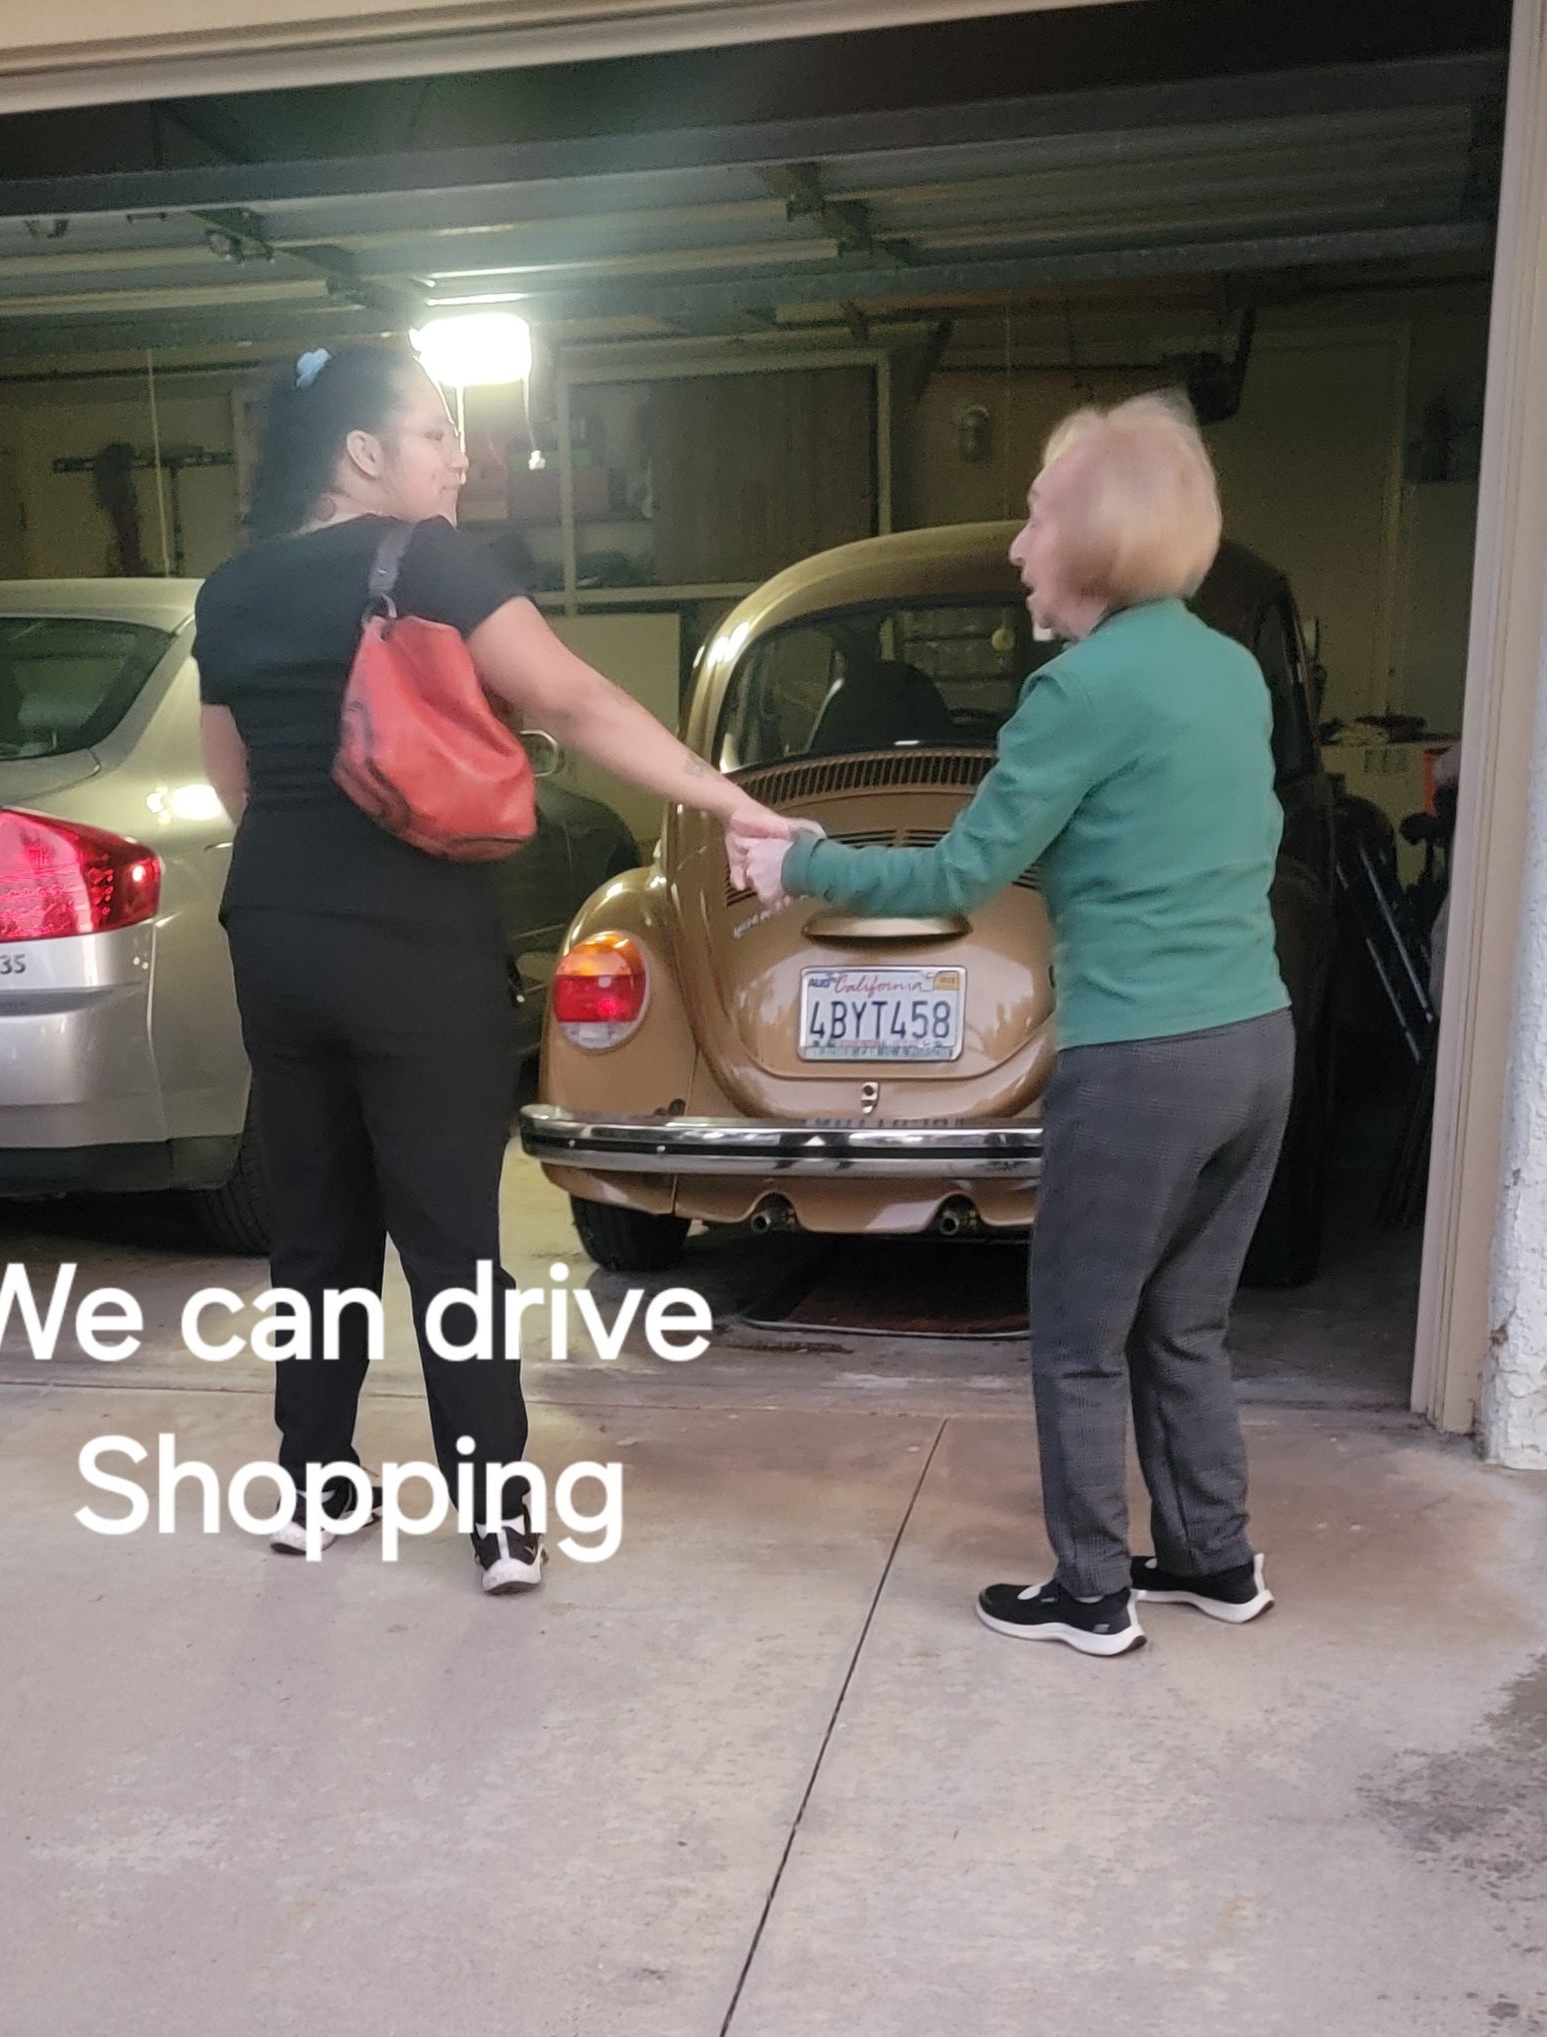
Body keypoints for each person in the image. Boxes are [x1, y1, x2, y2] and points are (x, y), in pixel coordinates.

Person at [196, 343, 792, 1595]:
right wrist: (733, 804)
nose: (462, 459)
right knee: (451, 1234)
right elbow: (573, 704)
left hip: (278, 931)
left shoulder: (232, 590)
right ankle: (497, 1518)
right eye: (435, 434)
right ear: (363, 453)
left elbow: (234, 776)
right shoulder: (425, 562)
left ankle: (313, 1489)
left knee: (315, 1228)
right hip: (415, 939)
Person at [733, 392, 1290, 1658]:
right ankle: (1214, 1558)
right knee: (1184, 1323)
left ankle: (1091, 1592)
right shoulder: (1226, 668)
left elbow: (950, 881)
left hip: (1141, 1062)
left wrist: (804, 862)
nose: (1017, 545)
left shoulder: (1078, 691)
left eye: (1036, 516)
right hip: (1256, 1043)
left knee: (1079, 1335)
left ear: (1092, 539)